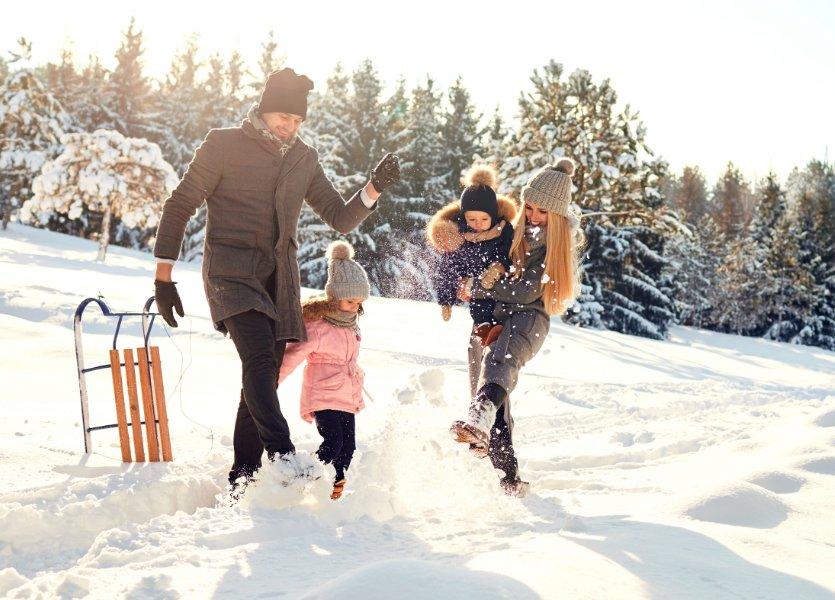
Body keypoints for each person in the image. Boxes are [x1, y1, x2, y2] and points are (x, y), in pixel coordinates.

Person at [151, 67, 400, 491]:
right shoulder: (223, 144)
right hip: (231, 273)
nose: (290, 126)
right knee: (260, 361)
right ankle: (282, 455)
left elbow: (339, 217)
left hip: (280, 281)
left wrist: (373, 189)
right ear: (264, 111)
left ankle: (243, 477)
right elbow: (180, 204)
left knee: (262, 377)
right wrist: (164, 276)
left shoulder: (304, 158)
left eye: (298, 120)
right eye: (282, 117)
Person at [449, 158, 584, 496]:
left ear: (557, 215)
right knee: (486, 381)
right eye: (530, 208)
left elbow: (526, 291)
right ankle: (508, 475)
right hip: (496, 313)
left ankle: (479, 415)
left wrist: (481, 286)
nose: (535, 216)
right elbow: (475, 231)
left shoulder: (556, 245)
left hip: (529, 317)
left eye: (543, 212)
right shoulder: (513, 231)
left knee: (499, 364)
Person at [278, 240, 370, 500]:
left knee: (348, 446)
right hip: (323, 392)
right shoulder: (318, 325)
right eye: (350, 301)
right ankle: (301, 479)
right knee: (333, 443)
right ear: (335, 296)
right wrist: (270, 382)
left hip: (347, 394)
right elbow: (294, 355)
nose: (355, 307)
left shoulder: (351, 323)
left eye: (359, 302)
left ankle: (335, 481)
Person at [426, 165, 517, 344]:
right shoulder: (458, 237)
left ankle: (498, 332)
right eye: (471, 219)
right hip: (473, 288)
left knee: (498, 307)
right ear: (463, 217)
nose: (478, 224)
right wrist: (446, 301)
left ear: (493, 216)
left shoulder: (502, 231)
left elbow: (507, 252)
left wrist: (498, 266)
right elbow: (447, 269)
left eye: (484, 219)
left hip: (497, 283)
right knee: (479, 305)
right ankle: (485, 329)